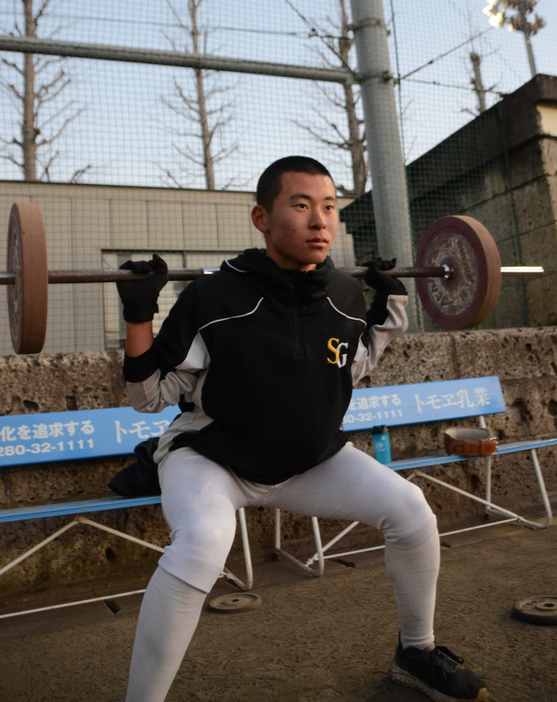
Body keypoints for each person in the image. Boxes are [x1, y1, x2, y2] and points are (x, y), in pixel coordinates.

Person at [117, 156, 488, 702]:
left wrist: (388, 309)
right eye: (301, 206)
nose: (320, 220)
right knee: (203, 541)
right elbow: (149, 400)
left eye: (330, 207)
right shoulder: (213, 297)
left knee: (411, 511)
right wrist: (138, 315)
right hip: (212, 457)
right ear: (261, 219)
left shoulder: (344, 292)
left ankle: (416, 653)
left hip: (309, 460)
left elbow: (353, 365)